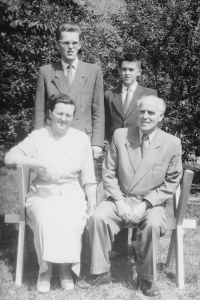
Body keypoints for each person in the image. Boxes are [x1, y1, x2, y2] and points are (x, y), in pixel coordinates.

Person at [83, 96, 183, 297]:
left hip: (151, 203)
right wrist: (119, 202)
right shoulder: (121, 135)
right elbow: (108, 172)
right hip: (120, 198)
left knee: (154, 224)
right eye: (142, 111)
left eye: (151, 113)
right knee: (98, 217)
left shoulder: (172, 143)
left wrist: (145, 205)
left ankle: (146, 277)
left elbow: (172, 181)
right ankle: (101, 272)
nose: (145, 116)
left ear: (161, 117)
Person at [5, 94, 97, 293]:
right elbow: (9, 157)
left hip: (72, 192)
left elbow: (89, 177)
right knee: (46, 218)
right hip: (42, 192)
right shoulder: (38, 136)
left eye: (68, 115)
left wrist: (92, 203)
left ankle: (65, 269)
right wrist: (41, 163)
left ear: (73, 117)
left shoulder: (80, 139)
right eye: (59, 113)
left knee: (72, 219)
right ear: (50, 113)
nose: (63, 118)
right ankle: (45, 270)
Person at [104, 52, 158, 259]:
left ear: (139, 72)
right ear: (119, 71)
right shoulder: (110, 94)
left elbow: (152, 120)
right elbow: (109, 123)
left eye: (131, 69)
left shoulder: (149, 92)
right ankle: (117, 247)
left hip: (141, 149)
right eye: (124, 69)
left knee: (138, 192)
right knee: (119, 193)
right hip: (118, 151)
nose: (127, 73)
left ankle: (138, 245)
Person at [34, 22, 104, 159]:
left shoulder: (93, 71)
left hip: (83, 139)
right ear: (57, 45)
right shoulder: (46, 72)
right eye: (66, 43)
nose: (71, 47)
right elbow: (39, 111)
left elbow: (98, 110)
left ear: (80, 45)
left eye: (74, 43)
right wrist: (37, 140)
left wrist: (97, 143)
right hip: (53, 138)